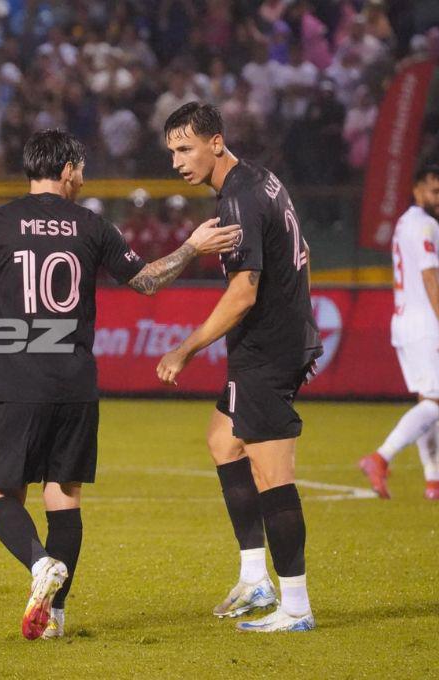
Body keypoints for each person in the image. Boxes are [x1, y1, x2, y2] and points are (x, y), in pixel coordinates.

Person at [0, 129, 241, 640]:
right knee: (64, 494)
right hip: (74, 380)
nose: (84, 176)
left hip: (18, 378)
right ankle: (55, 617)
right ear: (69, 168)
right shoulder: (92, 226)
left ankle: (38, 564)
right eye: (82, 168)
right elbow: (145, 281)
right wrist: (190, 247)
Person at [155, 102, 322, 633]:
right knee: (224, 442)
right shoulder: (262, 180)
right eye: (172, 151)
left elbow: (243, 293)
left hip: (267, 351)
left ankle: (296, 606)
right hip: (276, 342)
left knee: (274, 477)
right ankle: (255, 579)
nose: (178, 161)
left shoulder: (239, 199)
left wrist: (185, 348)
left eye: (186, 148)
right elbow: (305, 250)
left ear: (216, 142)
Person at [359, 165, 439, 501]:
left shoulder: (405, 221)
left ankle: (434, 481)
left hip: (405, 321)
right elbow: (429, 276)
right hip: (426, 324)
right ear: (417, 189)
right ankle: (380, 458)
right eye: (436, 191)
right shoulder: (425, 226)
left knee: (428, 399)